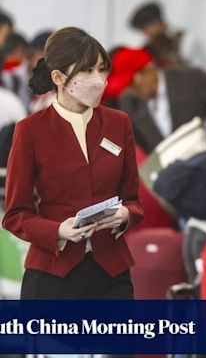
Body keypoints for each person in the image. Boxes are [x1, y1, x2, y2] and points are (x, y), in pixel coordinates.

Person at [2, 27, 144, 300]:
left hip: (111, 273)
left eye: (102, 69)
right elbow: (15, 214)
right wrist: (58, 230)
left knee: (117, 343)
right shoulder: (30, 130)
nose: (99, 80)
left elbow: (133, 200)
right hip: (53, 273)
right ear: (58, 77)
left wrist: (126, 215)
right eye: (88, 71)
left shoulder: (119, 123)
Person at [114, 47, 206, 153]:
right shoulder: (130, 103)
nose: (131, 90)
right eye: (126, 86)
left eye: (131, 83)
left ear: (149, 68)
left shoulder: (188, 79)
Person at [129, 0, 206, 69]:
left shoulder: (187, 40)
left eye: (145, 29)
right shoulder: (147, 47)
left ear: (156, 23)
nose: (145, 34)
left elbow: (203, 74)